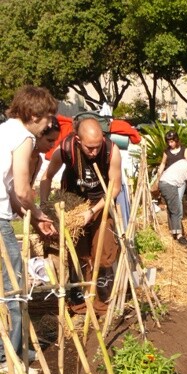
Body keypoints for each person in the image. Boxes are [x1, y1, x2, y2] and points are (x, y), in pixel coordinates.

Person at [0, 85, 57, 374]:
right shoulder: (23, 137)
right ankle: (7, 357)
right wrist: (36, 212)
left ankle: (17, 347)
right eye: (48, 117)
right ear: (34, 114)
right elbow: (22, 189)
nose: (49, 123)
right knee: (15, 288)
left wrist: (32, 218)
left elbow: (9, 188)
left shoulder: (5, 129)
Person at [41, 117, 123, 316]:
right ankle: (79, 303)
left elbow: (115, 188)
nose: (94, 152)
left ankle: (102, 303)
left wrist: (92, 212)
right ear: (78, 140)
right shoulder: (66, 149)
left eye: (97, 146)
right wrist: (44, 206)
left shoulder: (112, 152)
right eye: (89, 148)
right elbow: (47, 177)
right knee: (79, 256)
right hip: (74, 205)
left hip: (100, 205)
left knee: (104, 254)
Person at [29, 117, 60, 185]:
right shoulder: (20, 155)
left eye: (54, 141)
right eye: (50, 140)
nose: (53, 145)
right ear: (38, 135)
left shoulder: (38, 160)